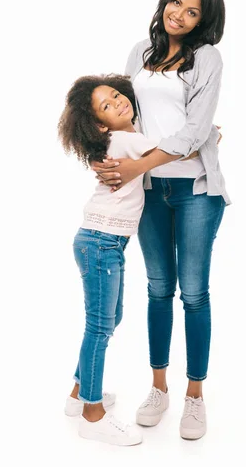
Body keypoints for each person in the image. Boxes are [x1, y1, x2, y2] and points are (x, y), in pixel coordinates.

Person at [91, 0, 231, 440]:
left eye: (193, 11)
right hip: (149, 192)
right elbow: (121, 117)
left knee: (194, 293)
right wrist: (105, 156)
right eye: (177, 2)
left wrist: (143, 163)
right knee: (157, 289)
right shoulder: (141, 53)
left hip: (194, 190)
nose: (180, 14)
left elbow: (194, 131)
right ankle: (158, 388)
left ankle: (195, 397)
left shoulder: (208, 58)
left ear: (203, 20)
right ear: (165, 0)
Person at [57, 73, 159, 446]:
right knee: (100, 326)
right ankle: (92, 413)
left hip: (100, 242)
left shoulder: (125, 138)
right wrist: (206, 135)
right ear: (101, 124)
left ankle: (78, 393)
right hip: (100, 242)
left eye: (117, 95)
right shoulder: (126, 139)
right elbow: (175, 150)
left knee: (108, 319)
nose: (118, 102)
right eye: (106, 106)